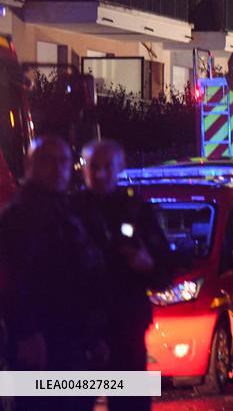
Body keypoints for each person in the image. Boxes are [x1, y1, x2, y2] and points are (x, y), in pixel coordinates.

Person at [0, 137, 107, 411]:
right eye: (48, 161)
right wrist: (26, 333)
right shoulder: (18, 215)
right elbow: (11, 280)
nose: (58, 168)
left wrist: (95, 337)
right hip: (44, 341)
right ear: (30, 164)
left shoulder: (66, 209)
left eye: (63, 161)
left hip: (73, 338)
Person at [76, 140, 173, 411]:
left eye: (108, 167)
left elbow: (165, 268)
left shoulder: (137, 211)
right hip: (81, 328)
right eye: (95, 166)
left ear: (119, 168)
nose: (101, 174)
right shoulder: (71, 210)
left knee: (131, 403)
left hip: (125, 328)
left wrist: (147, 265)